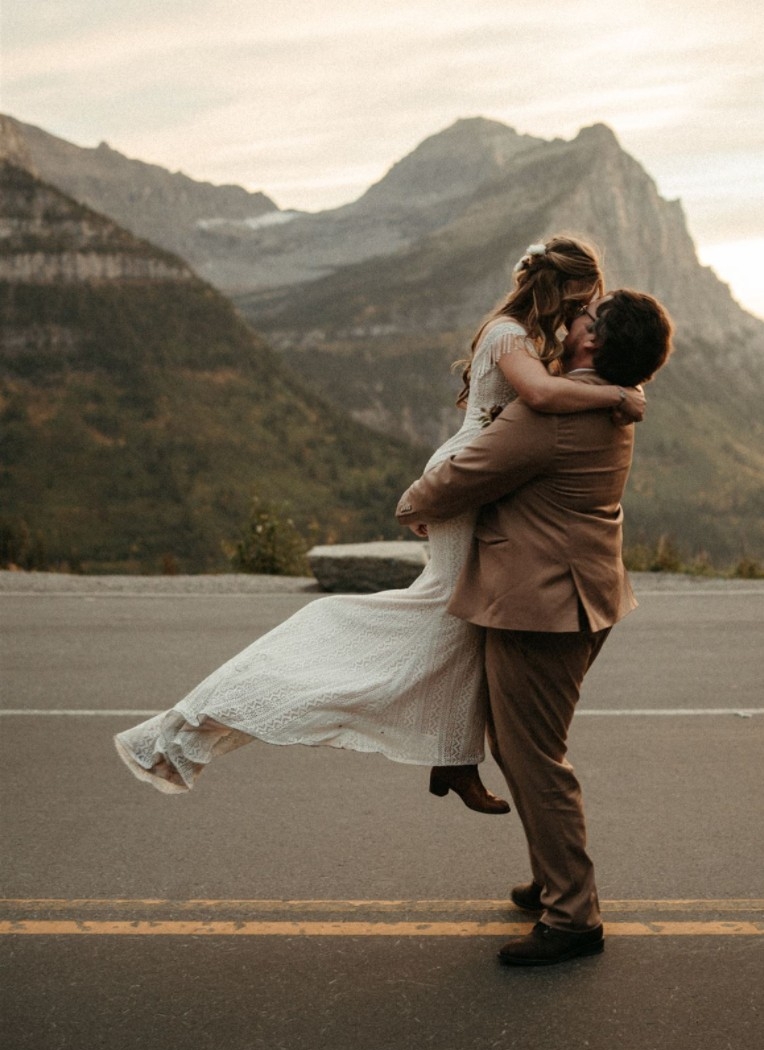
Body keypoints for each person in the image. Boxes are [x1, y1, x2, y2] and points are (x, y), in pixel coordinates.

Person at [114, 237, 643, 811]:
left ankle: (454, 755)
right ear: (562, 289)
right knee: (447, 613)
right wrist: (620, 391)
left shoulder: (530, 337)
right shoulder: (508, 335)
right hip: (465, 477)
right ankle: (210, 715)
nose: (584, 316)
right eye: (586, 301)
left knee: (463, 622)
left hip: (483, 479)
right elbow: (540, 394)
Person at [396, 289, 673, 964]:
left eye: (583, 316)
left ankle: (573, 915)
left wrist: (413, 505)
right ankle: (556, 879)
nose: (571, 319)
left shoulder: (550, 411)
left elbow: (463, 475)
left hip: (541, 607)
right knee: (526, 746)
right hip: (578, 595)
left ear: (589, 343)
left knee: (535, 758)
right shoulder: (611, 401)